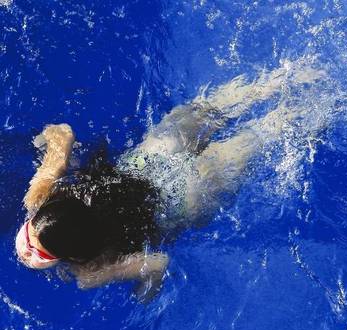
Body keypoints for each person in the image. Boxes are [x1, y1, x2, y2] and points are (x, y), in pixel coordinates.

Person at [15, 63, 326, 299]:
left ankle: (328, 104)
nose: (27, 251)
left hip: (184, 196)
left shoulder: (88, 271)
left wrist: (147, 289)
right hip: (151, 157)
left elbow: (157, 262)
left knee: (271, 132)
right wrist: (45, 143)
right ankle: (298, 74)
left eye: (36, 248)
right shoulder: (41, 195)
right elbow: (64, 134)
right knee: (218, 106)